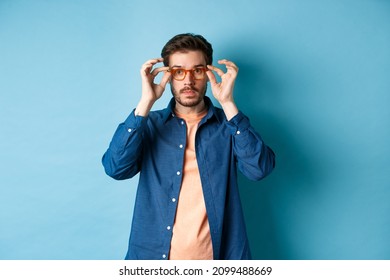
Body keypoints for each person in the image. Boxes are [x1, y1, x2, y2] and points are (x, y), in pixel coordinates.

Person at [102, 33, 275, 260]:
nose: (188, 81)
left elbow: (259, 169)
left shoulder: (229, 126)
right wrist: (145, 103)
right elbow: (116, 168)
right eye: (179, 71)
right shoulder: (149, 124)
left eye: (198, 70)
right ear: (169, 76)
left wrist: (228, 103)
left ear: (208, 73)